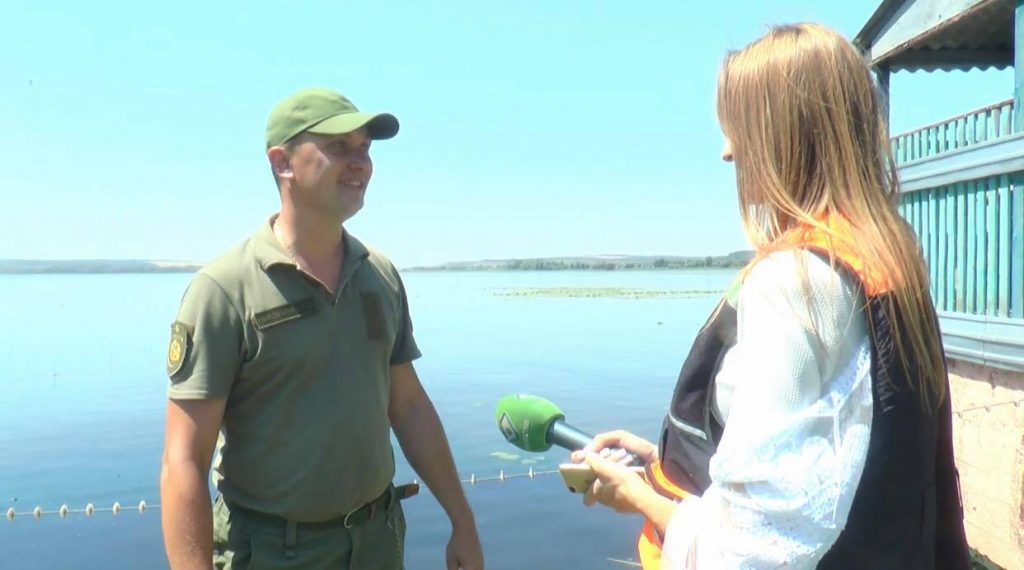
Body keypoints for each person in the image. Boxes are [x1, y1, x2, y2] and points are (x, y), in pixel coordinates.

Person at [570, 23, 970, 569]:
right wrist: (663, 464)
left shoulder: (794, 283)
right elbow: (839, 459)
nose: (727, 153)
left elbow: (753, 550)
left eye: (737, 129)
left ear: (783, 135)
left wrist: (637, 496)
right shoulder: (889, 261)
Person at [160, 87, 484, 570]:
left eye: (364, 149)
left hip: (378, 540)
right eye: (338, 148)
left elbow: (409, 405)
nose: (359, 163)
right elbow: (184, 459)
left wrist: (462, 520)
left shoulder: (380, 275)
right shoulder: (224, 289)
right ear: (281, 162)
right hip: (271, 551)